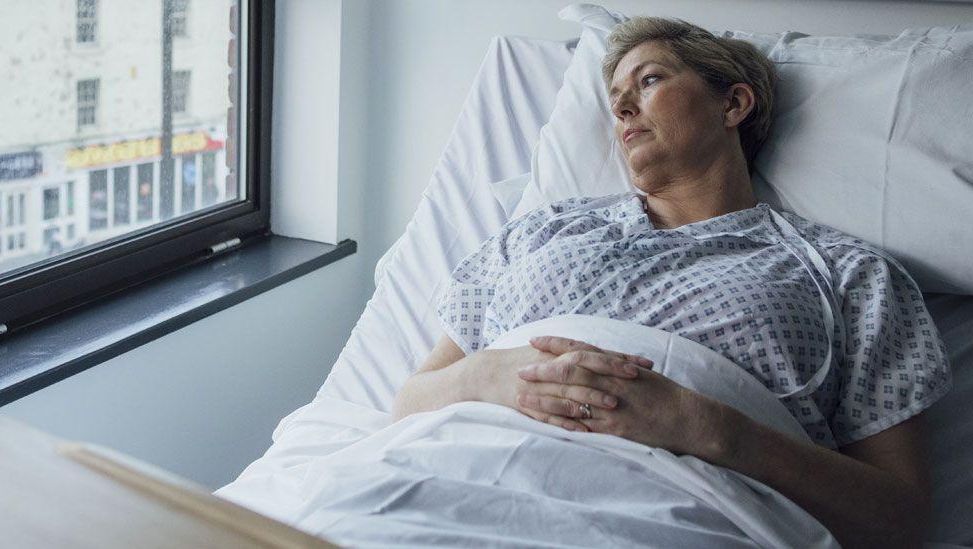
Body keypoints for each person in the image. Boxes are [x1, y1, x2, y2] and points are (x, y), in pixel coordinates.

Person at [392, 16, 951, 549]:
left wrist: (711, 430)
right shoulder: (539, 230)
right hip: (456, 474)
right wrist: (487, 374)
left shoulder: (848, 274)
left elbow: (897, 525)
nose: (622, 105)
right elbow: (408, 405)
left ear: (733, 103)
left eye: (650, 79)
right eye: (615, 97)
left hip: (683, 512)